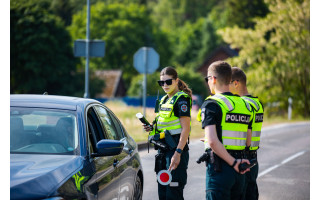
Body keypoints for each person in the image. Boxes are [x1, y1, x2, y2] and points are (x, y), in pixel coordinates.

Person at [199, 61, 252, 200]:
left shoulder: (212, 104)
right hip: (240, 170)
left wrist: (232, 163)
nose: (208, 83)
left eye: (208, 79)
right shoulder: (245, 105)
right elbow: (248, 141)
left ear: (214, 79)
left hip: (220, 168)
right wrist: (237, 163)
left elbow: (212, 141)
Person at [143, 66, 192, 200]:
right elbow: (163, 124)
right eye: (161, 82)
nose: (164, 85)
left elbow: (185, 129)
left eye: (168, 82)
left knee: (173, 193)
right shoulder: (164, 99)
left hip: (175, 151)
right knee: (163, 193)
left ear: (176, 81)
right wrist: (151, 127)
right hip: (162, 151)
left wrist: (178, 153)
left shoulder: (181, 100)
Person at [229, 67, 264, 200]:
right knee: (252, 194)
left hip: (242, 158)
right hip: (254, 158)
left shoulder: (243, 105)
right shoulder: (257, 103)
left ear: (236, 83)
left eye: (228, 83)